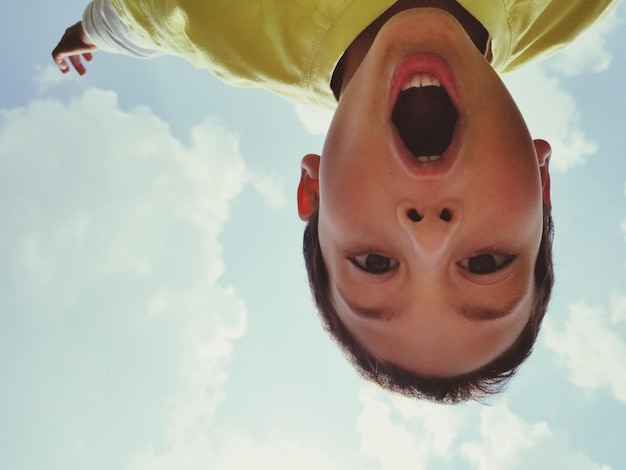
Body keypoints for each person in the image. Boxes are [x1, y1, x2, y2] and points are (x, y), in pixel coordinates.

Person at [53, 0, 615, 403]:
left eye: (375, 263)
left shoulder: (220, 20)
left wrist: (91, 31)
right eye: (484, 263)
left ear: (314, 191)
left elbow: (139, 19)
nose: (429, 231)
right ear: (540, 185)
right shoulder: (572, 9)